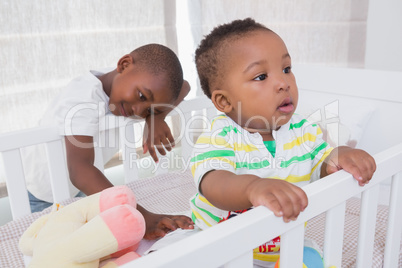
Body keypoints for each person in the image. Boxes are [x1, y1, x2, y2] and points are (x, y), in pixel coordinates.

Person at [190, 18, 376, 266]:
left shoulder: (303, 130)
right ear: (224, 101)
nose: (283, 83)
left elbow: (321, 164)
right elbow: (213, 182)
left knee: (315, 260)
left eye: (286, 69)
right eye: (261, 76)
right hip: (223, 249)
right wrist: (251, 188)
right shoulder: (219, 135)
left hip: (287, 242)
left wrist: (337, 158)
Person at [24, 43, 193, 239]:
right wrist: (142, 216)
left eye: (148, 109)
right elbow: (80, 169)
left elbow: (185, 86)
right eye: (141, 96)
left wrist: (155, 117)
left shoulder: (125, 79)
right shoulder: (82, 97)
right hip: (41, 191)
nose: (138, 111)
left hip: (79, 185)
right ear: (123, 64)